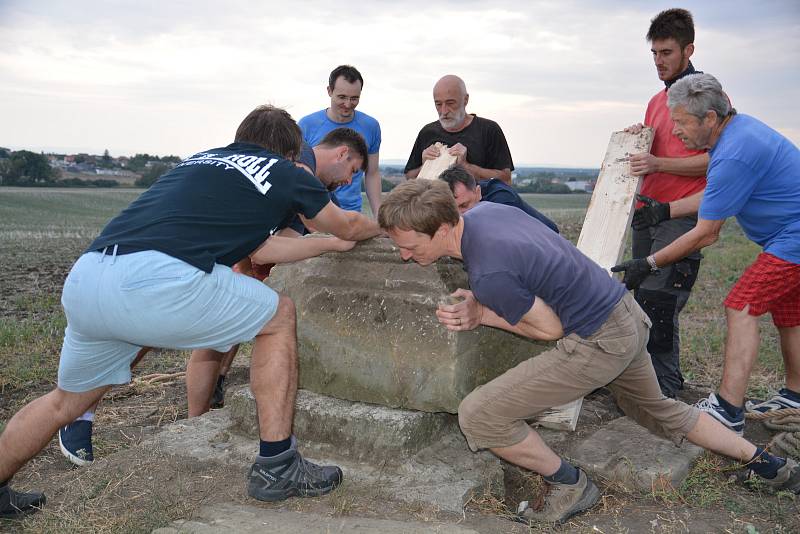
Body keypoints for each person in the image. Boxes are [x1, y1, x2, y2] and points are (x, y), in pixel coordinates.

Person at [0, 106, 382, 518]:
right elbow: (345, 225)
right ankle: (277, 465)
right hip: (157, 278)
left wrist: (324, 243)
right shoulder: (283, 170)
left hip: (89, 275)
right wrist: (383, 224)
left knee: (63, 403)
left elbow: (258, 249)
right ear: (290, 153)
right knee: (278, 316)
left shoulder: (201, 160)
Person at [377, 179, 799, 524]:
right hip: (625, 314)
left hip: (598, 339)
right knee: (658, 408)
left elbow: (548, 327)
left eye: (409, 245)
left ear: (444, 227)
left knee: (480, 415)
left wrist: (480, 313)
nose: (403, 255)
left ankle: (570, 484)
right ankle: (766, 463)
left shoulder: (489, 271)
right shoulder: (488, 213)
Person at [57, 128, 369, 468]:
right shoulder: (298, 165)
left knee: (153, 329)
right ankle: (268, 456)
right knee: (148, 329)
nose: (349, 182)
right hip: (179, 259)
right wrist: (363, 231)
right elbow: (305, 230)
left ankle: (178, 419)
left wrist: (320, 240)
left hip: (169, 262)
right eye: (353, 171)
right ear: (342, 154)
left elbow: (275, 243)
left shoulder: (303, 179)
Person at [611, 73, 800, 436]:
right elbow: (718, 193)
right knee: (789, 312)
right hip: (785, 237)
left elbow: (706, 233)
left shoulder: (734, 151)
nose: (676, 132)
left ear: (709, 118)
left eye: (681, 122)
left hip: (792, 239)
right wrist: (665, 211)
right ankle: (796, 393)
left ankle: (728, 409)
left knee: (741, 305)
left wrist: (648, 263)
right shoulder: (736, 134)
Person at [623, 8, 710, 399]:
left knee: (659, 304)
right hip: (648, 212)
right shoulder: (657, 100)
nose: (659, 61)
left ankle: (666, 395)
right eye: (654, 53)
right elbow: (656, 148)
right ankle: (643, 389)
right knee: (638, 301)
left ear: (688, 49)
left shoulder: (707, 95)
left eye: (667, 53)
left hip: (682, 215)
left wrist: (657, 161)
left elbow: (714, 160)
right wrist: (640, 137)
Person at [298, 65, 383, 216]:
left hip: (351, 211)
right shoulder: (307, 125)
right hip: (316, 212)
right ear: (329, 91)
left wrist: (379, 216)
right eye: (342, 97)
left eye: (354, 98)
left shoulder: (371, 126)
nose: (348, 104)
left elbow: (372, 173)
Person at [404, 75, 514, 185]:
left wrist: (465, 166)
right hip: (434, 201)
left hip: (478, 201)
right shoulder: (427, 132)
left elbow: (506, 179)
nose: (444, 110)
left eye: (450, 103)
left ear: (465, 100)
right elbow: (409, 178)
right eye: (438, 104)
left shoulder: (488, 130)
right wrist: (425, 166)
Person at [438, 167, 558, 233]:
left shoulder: (502, 201)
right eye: (453, 209)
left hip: (550, 243)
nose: (459, 214)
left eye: (464, 205)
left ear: (478, 192)